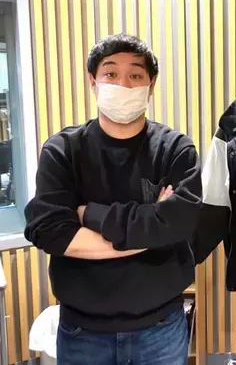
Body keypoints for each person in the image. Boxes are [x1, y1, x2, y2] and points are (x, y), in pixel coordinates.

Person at [24, 34, 202, 365]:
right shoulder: (63, 151)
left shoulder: (175, 149)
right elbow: (50, 233)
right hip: (83, 332)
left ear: (151, 85)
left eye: (135, 75)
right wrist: (152, 224)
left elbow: (180, 223)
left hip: (160, 329)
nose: (123, 83)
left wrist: (88, 214)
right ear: (93, 82)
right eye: (110, 73)